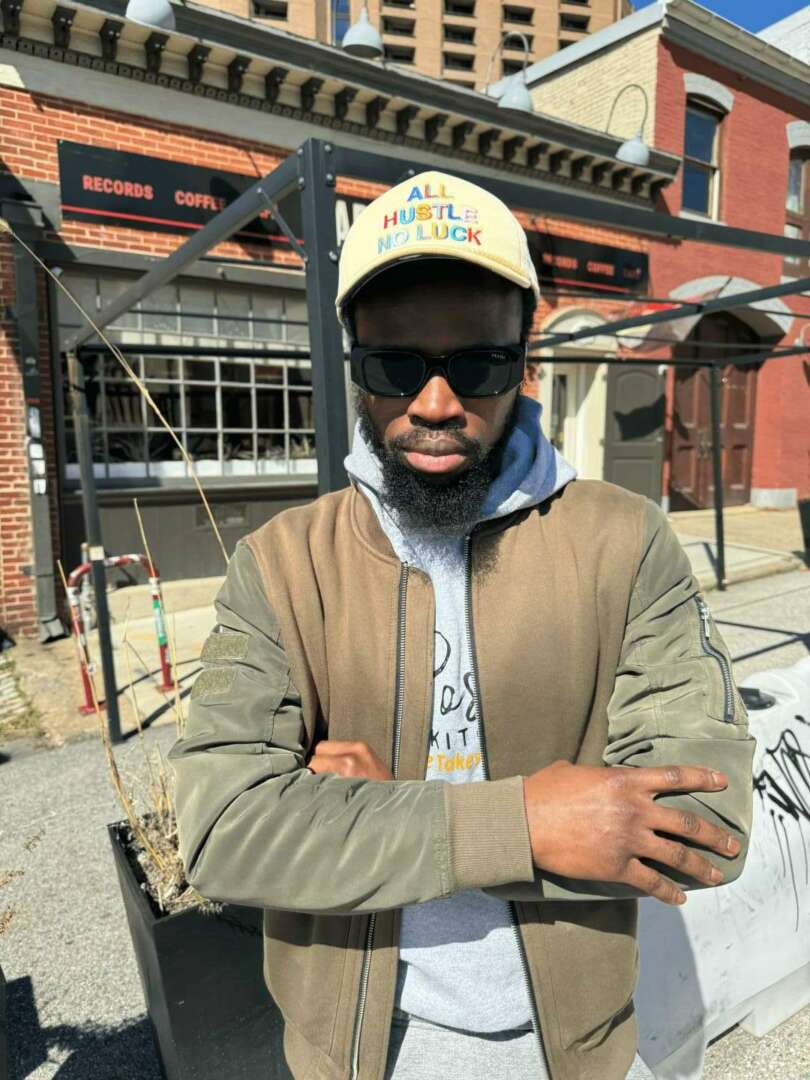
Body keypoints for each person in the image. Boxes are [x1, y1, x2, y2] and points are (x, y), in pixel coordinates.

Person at [169, 171, 754, 1080]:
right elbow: (223, 830)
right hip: (356, 1054)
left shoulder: (622, 541)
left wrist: (366, 811)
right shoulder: (282, 566)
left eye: (477, 364)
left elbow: (703, 820)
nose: (436, 403)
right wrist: (526, 822)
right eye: (395, 365)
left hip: (575, 1049)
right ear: (354, 363)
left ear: (524, 360)